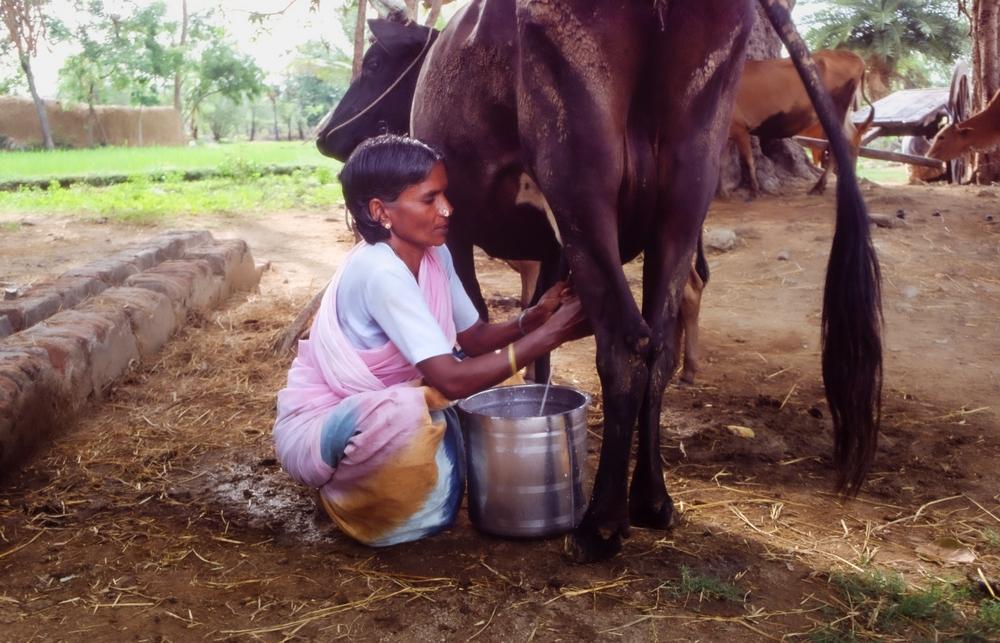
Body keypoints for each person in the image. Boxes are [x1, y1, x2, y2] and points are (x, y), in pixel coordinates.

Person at [273, 134, 589, 547]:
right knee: (409, 419)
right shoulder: (380, 271)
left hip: (400, 400)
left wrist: (533, 319)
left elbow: (474, 338)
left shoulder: (435, 255)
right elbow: (451, 380)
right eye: (429, 199)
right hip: (330, 423)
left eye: (444, 194)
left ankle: (412, 472)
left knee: (486, 393)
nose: (447, 209)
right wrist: (552, 334)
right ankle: (347, 497)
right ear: (380, 211)